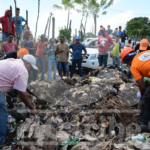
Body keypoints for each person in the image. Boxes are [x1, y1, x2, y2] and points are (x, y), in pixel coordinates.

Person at [0, 54, 37, 145]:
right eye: (30, 67)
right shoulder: (22, 69)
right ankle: (1, 141)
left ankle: (7, 128)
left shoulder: (15, 62)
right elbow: (21, 93)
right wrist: (32, 108)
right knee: (2, 113)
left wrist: (24, 92)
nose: (30, 70)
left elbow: (16, 85)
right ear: (27, 63)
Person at [121, 47, 150, 132]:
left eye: (127, 64)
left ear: (128, 61)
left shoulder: (134, 66)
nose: (128, 65)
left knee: (147, 99)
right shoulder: (145, 53)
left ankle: (143, 124)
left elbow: (142, 87)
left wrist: (142, 96)